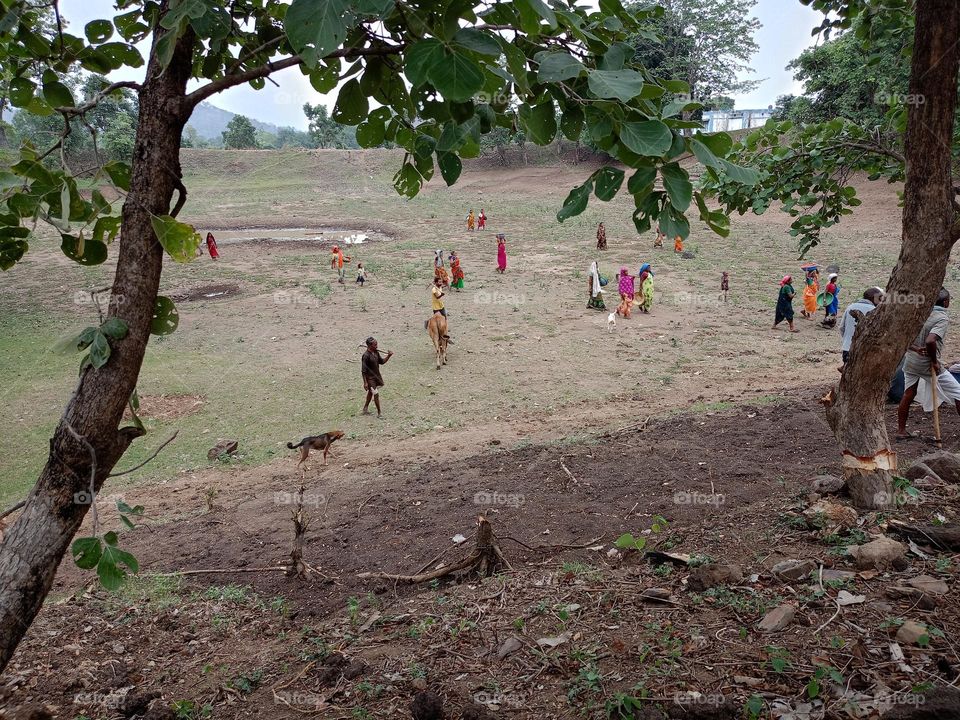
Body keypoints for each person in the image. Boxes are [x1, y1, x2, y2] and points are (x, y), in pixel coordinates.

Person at [897, 288, 960, 439]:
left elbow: (903, 337)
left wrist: (916, 349)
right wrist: (934, 361)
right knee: (958, 392)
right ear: (946, 302)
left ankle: (901, 431)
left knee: (908, 394)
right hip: (928, 364)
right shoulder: (941, 318)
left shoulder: (919, 314)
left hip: (911, 360)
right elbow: (930, 340)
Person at [839, 287, 884, 366]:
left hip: (847, 347)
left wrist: (847, 339)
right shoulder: (875, 310)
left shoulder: (851, 307)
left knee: (847, 372)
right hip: (866, 350)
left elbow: (842, 327)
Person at [361, 337, 392, 418]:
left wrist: (388, 356)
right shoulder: (365, 356)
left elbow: (381, 362)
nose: (377, 346)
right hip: (370, 379)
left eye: (377, 344)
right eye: (375, 345)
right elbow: (363, 371)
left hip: (377, 376)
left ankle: (365, 408)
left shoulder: (376, 352)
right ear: (369, 346)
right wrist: (365, 383)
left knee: (371, 392)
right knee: (376, 394)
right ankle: (379, 413)